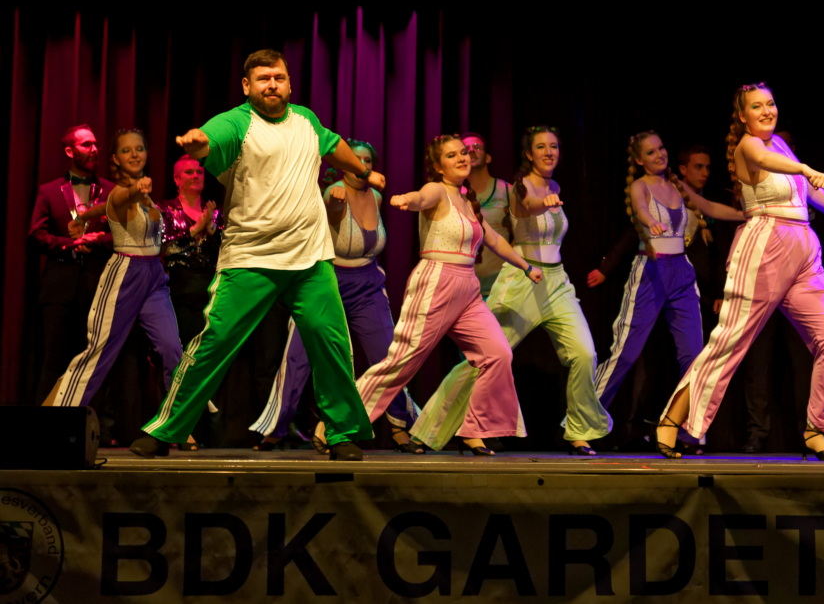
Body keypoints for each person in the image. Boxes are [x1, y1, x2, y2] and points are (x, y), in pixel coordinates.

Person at [130, 49, 382, 461]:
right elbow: (210, 139)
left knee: (330, 342)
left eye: (278, 77)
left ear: (289, 83)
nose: (272, 85)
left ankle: (342, 433)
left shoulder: (306, 120)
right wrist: (198, 144)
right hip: (252, 258)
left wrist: (362, 171)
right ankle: (166, 428)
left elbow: (332, 144)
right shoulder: (237, 122)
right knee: (215, 343)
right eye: (263, 79)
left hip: (309, 258)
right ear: (247, 86)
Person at [657, 83, 824, 459]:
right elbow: (770, 163)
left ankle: (815, 427)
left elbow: (808, 189)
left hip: (804, 247)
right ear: (743, 116)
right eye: (757, 106)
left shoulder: (779, 144)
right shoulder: (748, 146)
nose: (767, 110)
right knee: (730, 341)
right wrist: (804, 167)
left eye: (770, 103)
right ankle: (673, 419)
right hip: (766, 244)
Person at [409, 126, 612, 455]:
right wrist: (542, 203)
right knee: (484, 358)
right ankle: (429, 430)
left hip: (556, 282)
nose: (549, 152)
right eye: (541, 147)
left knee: (584, 354)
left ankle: (579, 430)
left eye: (554, 146)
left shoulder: (556, 186)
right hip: (521, 281)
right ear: (529, 154)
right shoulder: (518, 189)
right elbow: (526, 207)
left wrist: (550, 198)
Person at [346, 134, 540, 455]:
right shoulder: (437, 190)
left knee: (497, 354)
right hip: (437, 281)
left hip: (467, 288)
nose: (462, 158)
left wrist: (526, 267)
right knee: (402, 361)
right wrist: (407, 199)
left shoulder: (466, 199)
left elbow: (493, 239)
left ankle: (474, 430)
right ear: (438, 166)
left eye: (463, 153)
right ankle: (340, 422)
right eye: (451, 156)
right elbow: (422, 197)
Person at [251, 139, 421, 452]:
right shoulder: (334, 193)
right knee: (299, 357)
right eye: (355, 160)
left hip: (368, 284)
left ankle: (400, 426)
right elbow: (329, 219)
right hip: (327, 281)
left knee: (388, 356)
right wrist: (334, 205)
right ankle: (275, 428)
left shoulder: (376, 197)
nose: (362, 166)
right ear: (343, 165)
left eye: (367, 161)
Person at [591, 131, 743, 428]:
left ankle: (688, 429)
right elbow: (641, 210)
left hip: (681, 273)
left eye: (660, 148)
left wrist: (745, 215)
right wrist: (652, 222)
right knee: (626, 354)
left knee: (693, 356)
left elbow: (709, 208)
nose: (659, 154)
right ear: (639, 160)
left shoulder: (678, 186)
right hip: (651, 271)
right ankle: (584, 419)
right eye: (650, 152)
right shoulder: (640, 186)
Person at [43, 130, 182, 422]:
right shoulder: (121, 192)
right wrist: (134, 190)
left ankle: (176, 424)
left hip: (154, 277)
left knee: (172, 349)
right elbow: (118, 199)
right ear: (116, 158)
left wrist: (84, 216)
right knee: (98, 352)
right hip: (126, 274)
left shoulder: (145, 196)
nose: (134, 154)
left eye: (139, 148)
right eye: (126, 150)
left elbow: (103, 209)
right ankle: (57, 418)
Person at [27, 124, 114, 403]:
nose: (94, 149)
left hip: (98, 288)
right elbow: (36, 235)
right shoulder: (49, 191)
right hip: (59, 289)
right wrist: (68, 244)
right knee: (53, 360)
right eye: (86, 144)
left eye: (95, 144)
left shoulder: (112, 191)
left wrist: (99, 240)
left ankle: (93, 421)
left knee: (93, 362)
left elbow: (124, 235)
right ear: (69, 151)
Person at [160, 157, 222, 351]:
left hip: (209, 293)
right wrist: (196, 229)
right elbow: (165, 249)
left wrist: (212, 232)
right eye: (189, 172)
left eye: (199, 172)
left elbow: (224, 253)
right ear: (177, 179)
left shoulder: (214, 213)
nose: (196, 175)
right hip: (180, 292)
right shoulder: (166, 210)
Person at [463, 132, 514, 299]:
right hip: (466, 288)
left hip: (501, 287)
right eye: (466, 149)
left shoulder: (507, 191)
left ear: (488, 157)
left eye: (477, 147)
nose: (471, 151)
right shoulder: (456, 195)